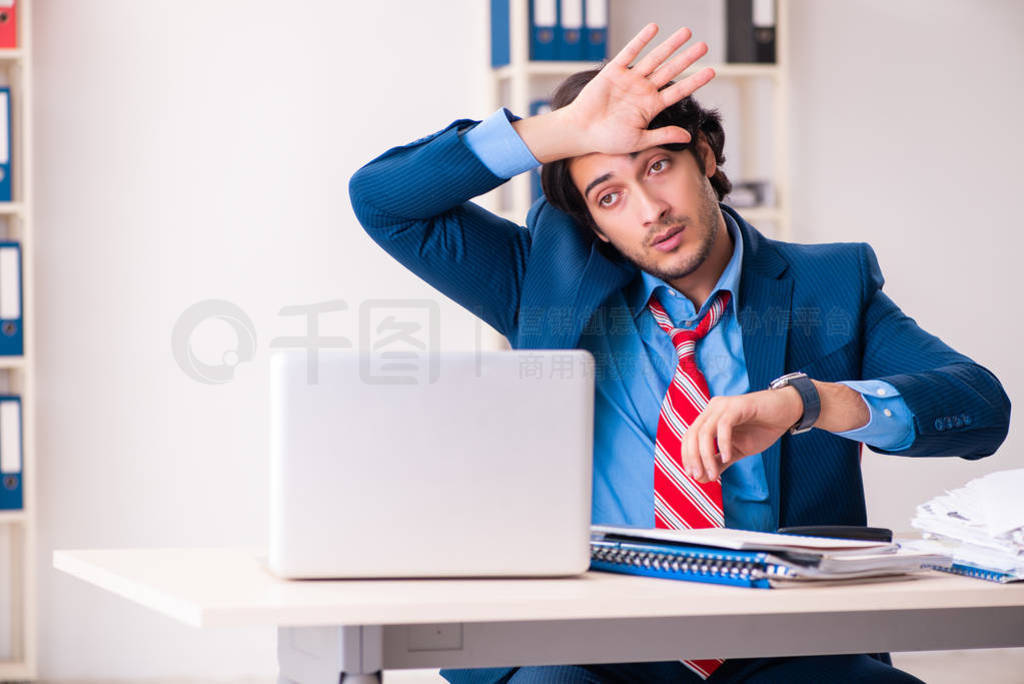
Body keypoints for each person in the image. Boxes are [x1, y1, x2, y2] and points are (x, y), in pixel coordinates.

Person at [348, 23, 1010, 684]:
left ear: (708, 159)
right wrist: (562, 130)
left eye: (657, 166)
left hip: (778, 640)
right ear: (593, 224)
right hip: (587, 639)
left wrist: (808, 401)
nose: (647, 211)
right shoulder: (541, 286)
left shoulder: (828, 285)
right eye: (609, 196)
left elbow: (979, 407)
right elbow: (384, 201)